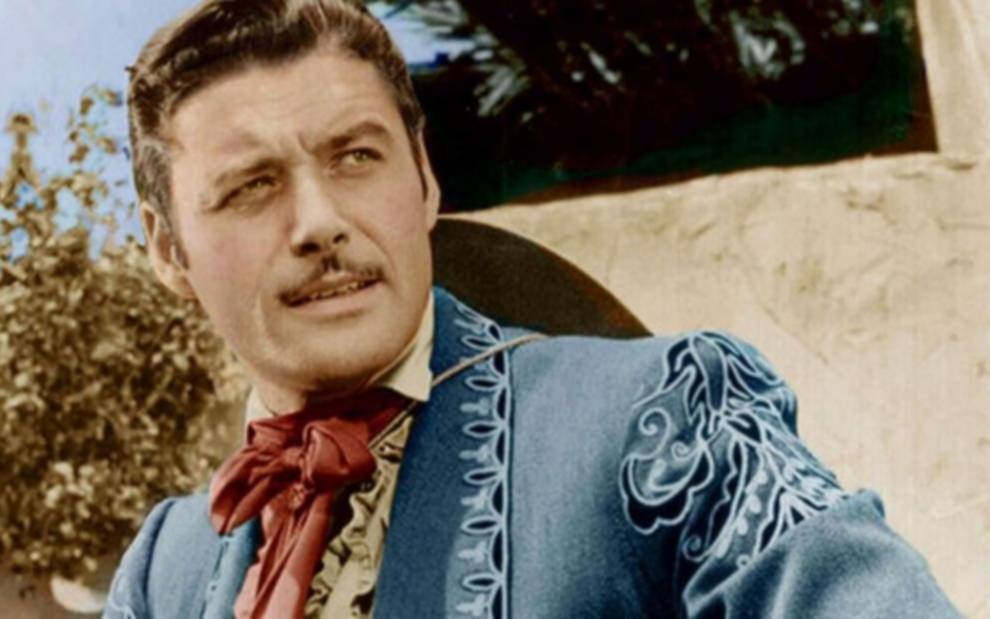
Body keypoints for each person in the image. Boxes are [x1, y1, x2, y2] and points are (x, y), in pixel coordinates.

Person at [105, 1, 959, 617]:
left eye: (356, 156)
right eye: (251, 186)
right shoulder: (163, 568)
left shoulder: (666, 414)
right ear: (169, 248)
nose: (319, 222)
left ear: (425, 179)